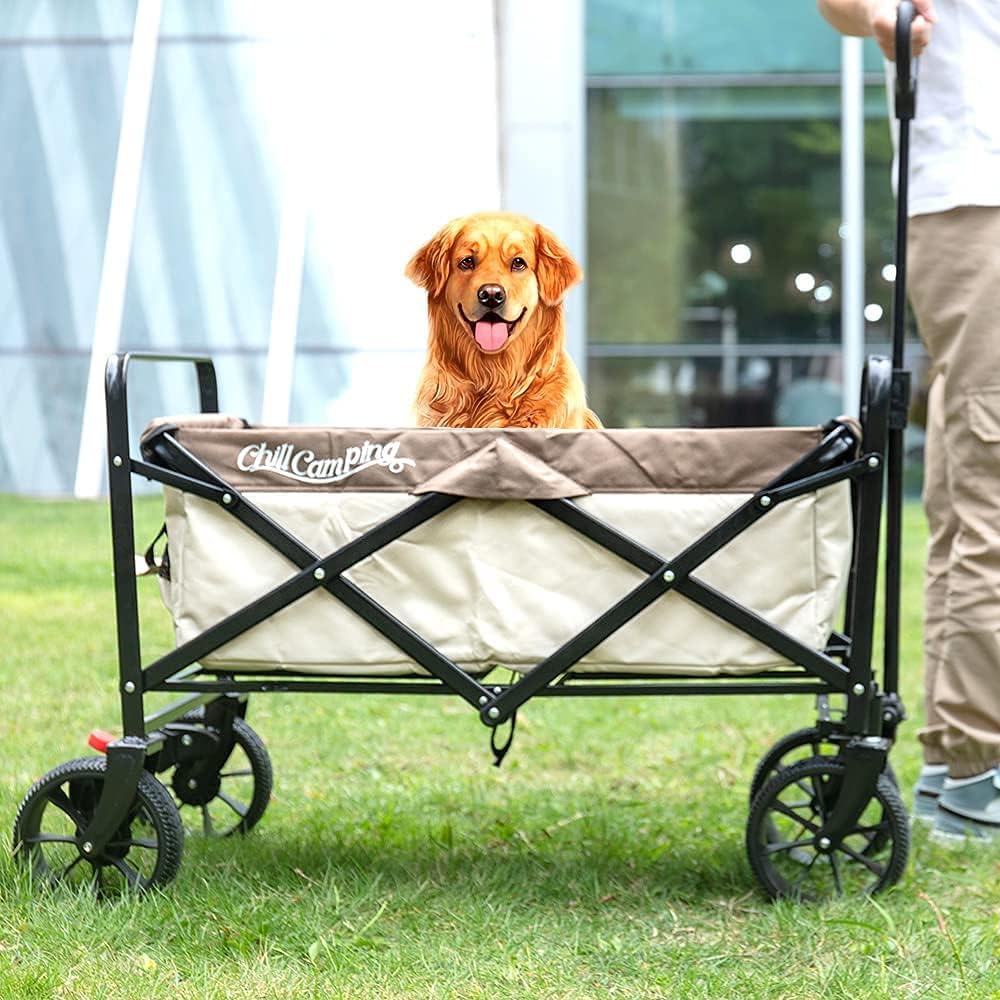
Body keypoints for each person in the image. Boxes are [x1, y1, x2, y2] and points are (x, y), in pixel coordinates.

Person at [818, 0, 1000, 840]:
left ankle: (956, 763)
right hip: (977, 199)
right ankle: (979, 766)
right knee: (988, 485)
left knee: (969, 488)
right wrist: (885, 24)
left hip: (969, 197)